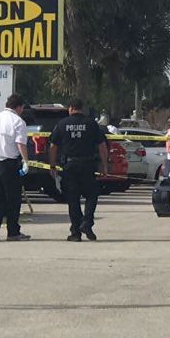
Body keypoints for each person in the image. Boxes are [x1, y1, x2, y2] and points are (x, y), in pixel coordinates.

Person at [49, 99, 108, 242]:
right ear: (82, 108)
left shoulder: (62, 124)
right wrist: (104, 165)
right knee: (92, 195)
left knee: (73, 199)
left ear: (70, 108)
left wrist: (52, 166)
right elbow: (102, 146)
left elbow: (53, 146)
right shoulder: (91, 124)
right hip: (87, 165)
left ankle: (76, 232)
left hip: (69, 166)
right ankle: (87, 223)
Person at [0, 94, 31, 242]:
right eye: (22, 108)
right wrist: (26, 161)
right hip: (8, 164)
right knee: (13, 199)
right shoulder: (18, 122)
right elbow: (20, 144)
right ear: (19, 107)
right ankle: (13, 232)